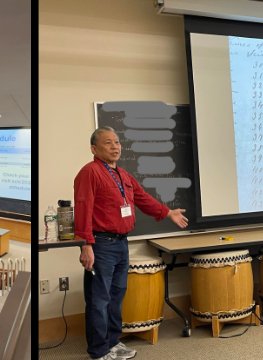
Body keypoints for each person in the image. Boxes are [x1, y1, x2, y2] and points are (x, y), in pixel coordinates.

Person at [75, 126, 188, 360]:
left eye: (117, 142)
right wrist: (86, 245)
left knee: (116, 297)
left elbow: (142, 198)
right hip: (101, 245)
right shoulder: (90, 172)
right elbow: (83, 207)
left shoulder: (123, 175)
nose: (115, 147)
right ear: (94, 148)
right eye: (108, 143)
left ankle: (112, 343)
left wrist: (168, 212)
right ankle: (98, 351)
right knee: (99, 300)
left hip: (120, 244)